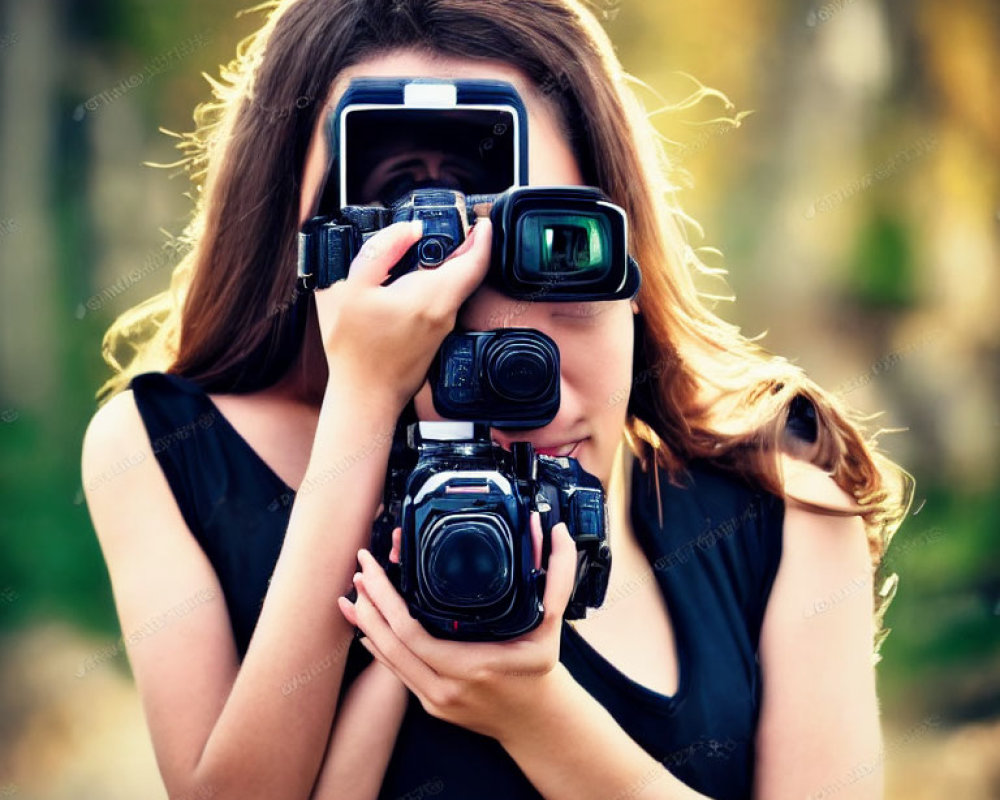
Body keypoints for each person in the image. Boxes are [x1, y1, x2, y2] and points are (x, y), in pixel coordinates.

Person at [81, 1, 912, 798]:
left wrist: (537, 715)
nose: (527, 387)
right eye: (434, 315)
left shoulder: (783, 496)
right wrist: (363, 412)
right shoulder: (165, 450)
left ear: (631, 264)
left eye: (556, 269)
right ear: (306, 257)